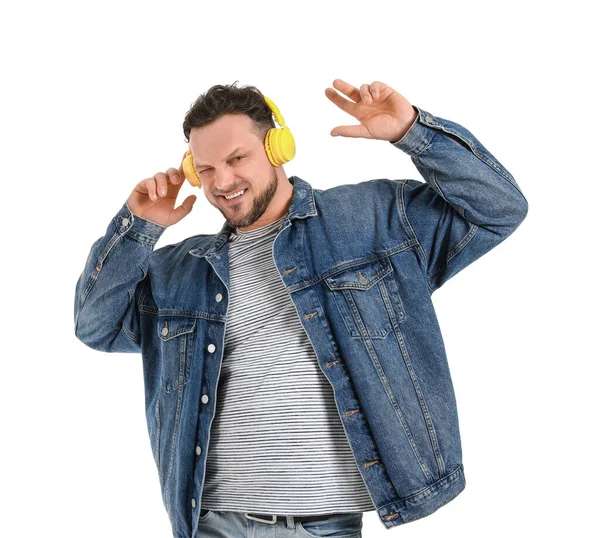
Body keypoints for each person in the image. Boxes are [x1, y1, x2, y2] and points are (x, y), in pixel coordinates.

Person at [74, 79, 528, 538]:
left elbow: (499, 208)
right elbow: (96, 326)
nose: (222, 182)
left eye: (237, 159)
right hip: (210, 524)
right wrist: (138, 229)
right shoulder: (180, 271)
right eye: (206, 168)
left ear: (278, 147)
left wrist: (412, 130)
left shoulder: (374, 221)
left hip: (320, 527)